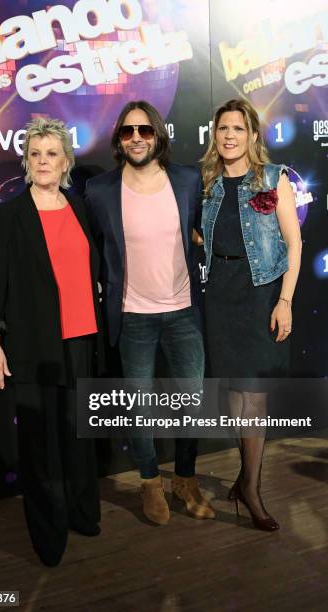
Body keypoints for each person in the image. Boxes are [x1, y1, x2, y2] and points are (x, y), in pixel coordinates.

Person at [85, 100, 214, 525]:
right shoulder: (100, 190)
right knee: (139, 408)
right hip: (132, 316)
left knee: (190, 404)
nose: (136, 138)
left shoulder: (188, 180)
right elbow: (94, 253)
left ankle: (185, 478)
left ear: (158, 134)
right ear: (119, 140)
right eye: (127, 132)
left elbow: (202, 230)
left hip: (183, 313)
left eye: (144, 130)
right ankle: (148, 482)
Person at [0, 118, 103, 566]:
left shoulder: (80, 207)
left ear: (66, 160)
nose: (43, 161)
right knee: (40, 444)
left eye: (52, 153)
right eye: (35, 154)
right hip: (34, 344)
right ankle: (48, 534)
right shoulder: (10, 214)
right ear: (26, 162)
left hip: (81, 340)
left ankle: (82, 512)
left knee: (79, 435)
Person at [201, 98, 302, 531]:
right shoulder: (207, 183)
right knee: (237, 397)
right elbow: (201, 235)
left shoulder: (274, 179)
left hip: (260, 294)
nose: (229, 136)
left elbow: (294, 244)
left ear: (253, 136)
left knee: (254, 396)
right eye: (223, 128)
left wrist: (285, 301)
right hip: (220, 295)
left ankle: (252, 489)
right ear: (215, 134)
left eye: (238, 129)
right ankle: (246, 479)